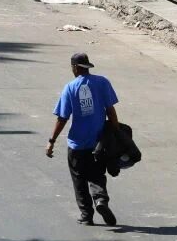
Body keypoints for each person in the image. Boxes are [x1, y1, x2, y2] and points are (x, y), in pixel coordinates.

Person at [46, 53, 121, 226]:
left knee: (79, 179)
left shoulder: (70, 87)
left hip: (77, 144)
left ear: (74, 67)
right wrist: (116, 135)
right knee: (96, 175)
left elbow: (62, 118)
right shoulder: (102, 82)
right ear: (87, 66)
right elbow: (111, 111)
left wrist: (51, 141)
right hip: (98, 142)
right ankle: (101, 200)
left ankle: (86, 215)